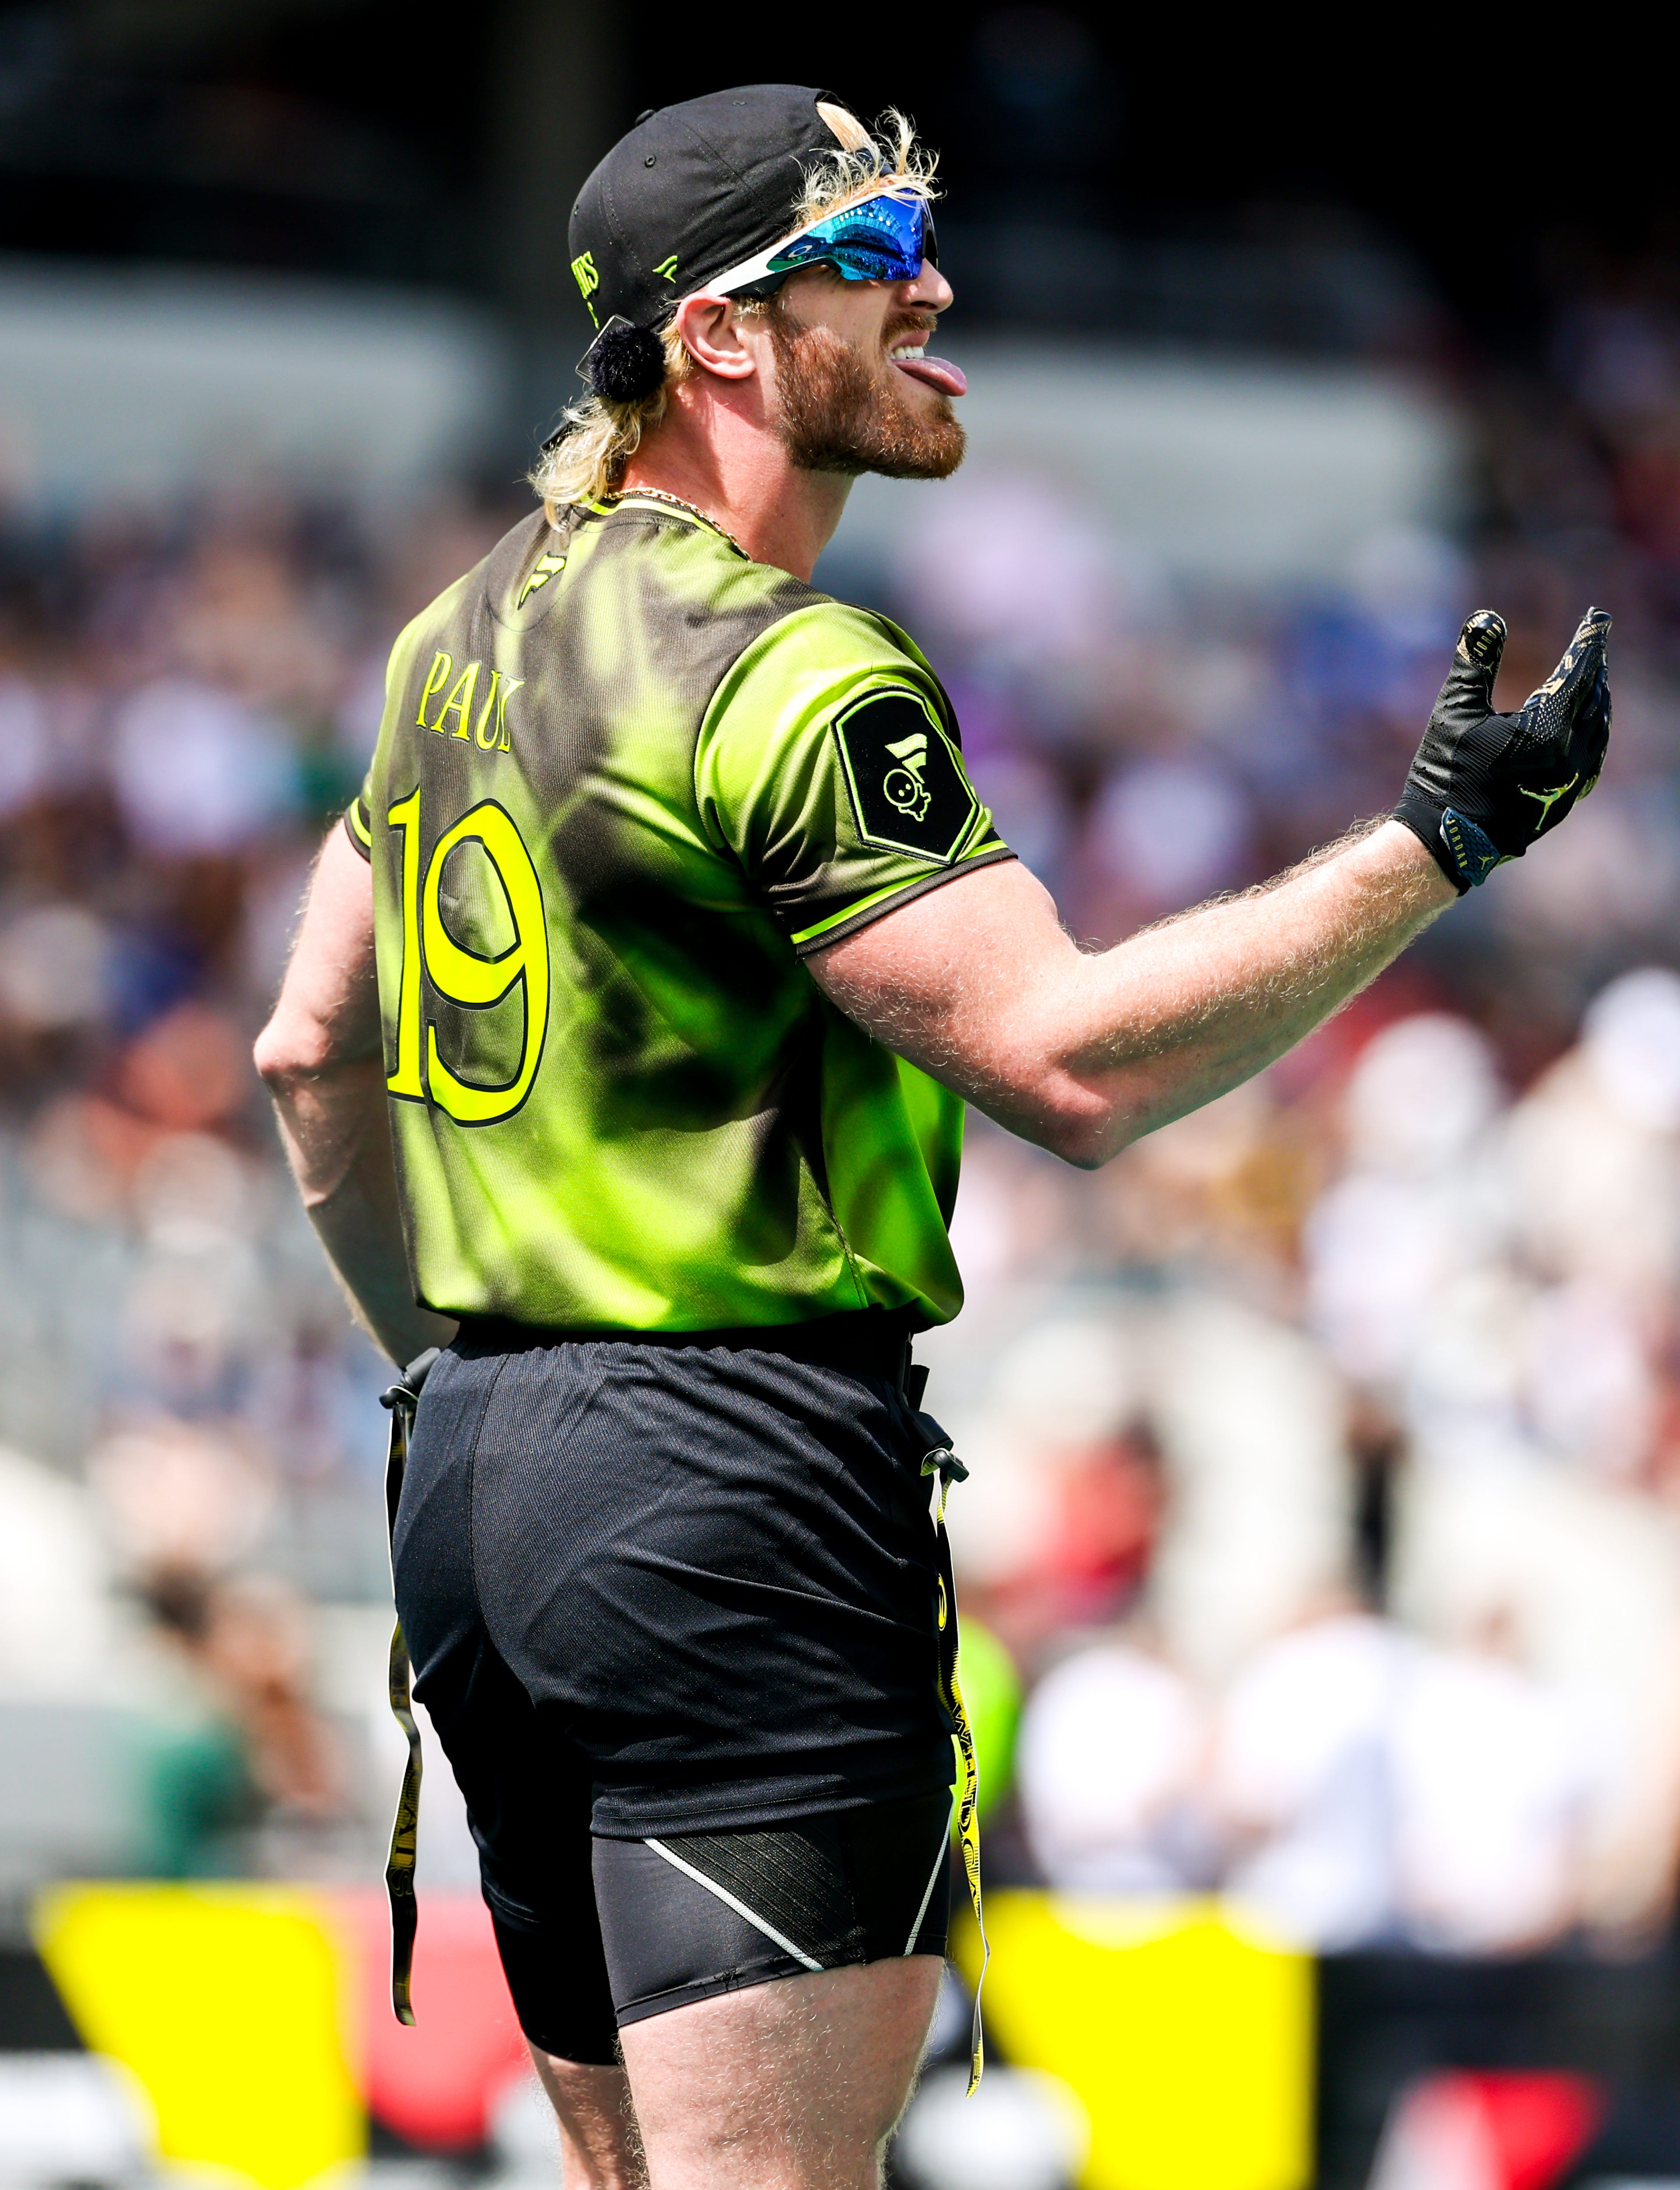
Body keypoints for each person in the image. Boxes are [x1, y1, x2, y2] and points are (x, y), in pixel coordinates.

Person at [255, 84, 1612, 2190]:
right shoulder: (787, 667)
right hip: (733, 1476)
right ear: (719, 334)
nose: (932, 292)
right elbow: (1068, 1065)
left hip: (481, 1490)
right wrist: (1435, 842)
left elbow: (303, 1052)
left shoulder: (458, 636)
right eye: (871, 259)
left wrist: (448, 1370)